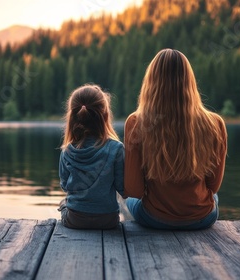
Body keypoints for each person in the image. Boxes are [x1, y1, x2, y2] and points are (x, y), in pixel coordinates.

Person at [124, 49, 227, 230]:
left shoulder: (136, 123)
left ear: (151, 83)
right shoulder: (215, 124)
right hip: (202, 218)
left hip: (155, 218)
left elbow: (134, 190)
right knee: (214, 198)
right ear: (190, 82)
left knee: (126, 199)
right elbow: (213, 186)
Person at [58, 84, 124, 229]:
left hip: (75, 220)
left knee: (63, 203)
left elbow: (64, 185)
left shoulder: (67, 151)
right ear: (105, 115)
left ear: (73, 117)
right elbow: (122, 187)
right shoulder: (116, 149)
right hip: (109, 220)